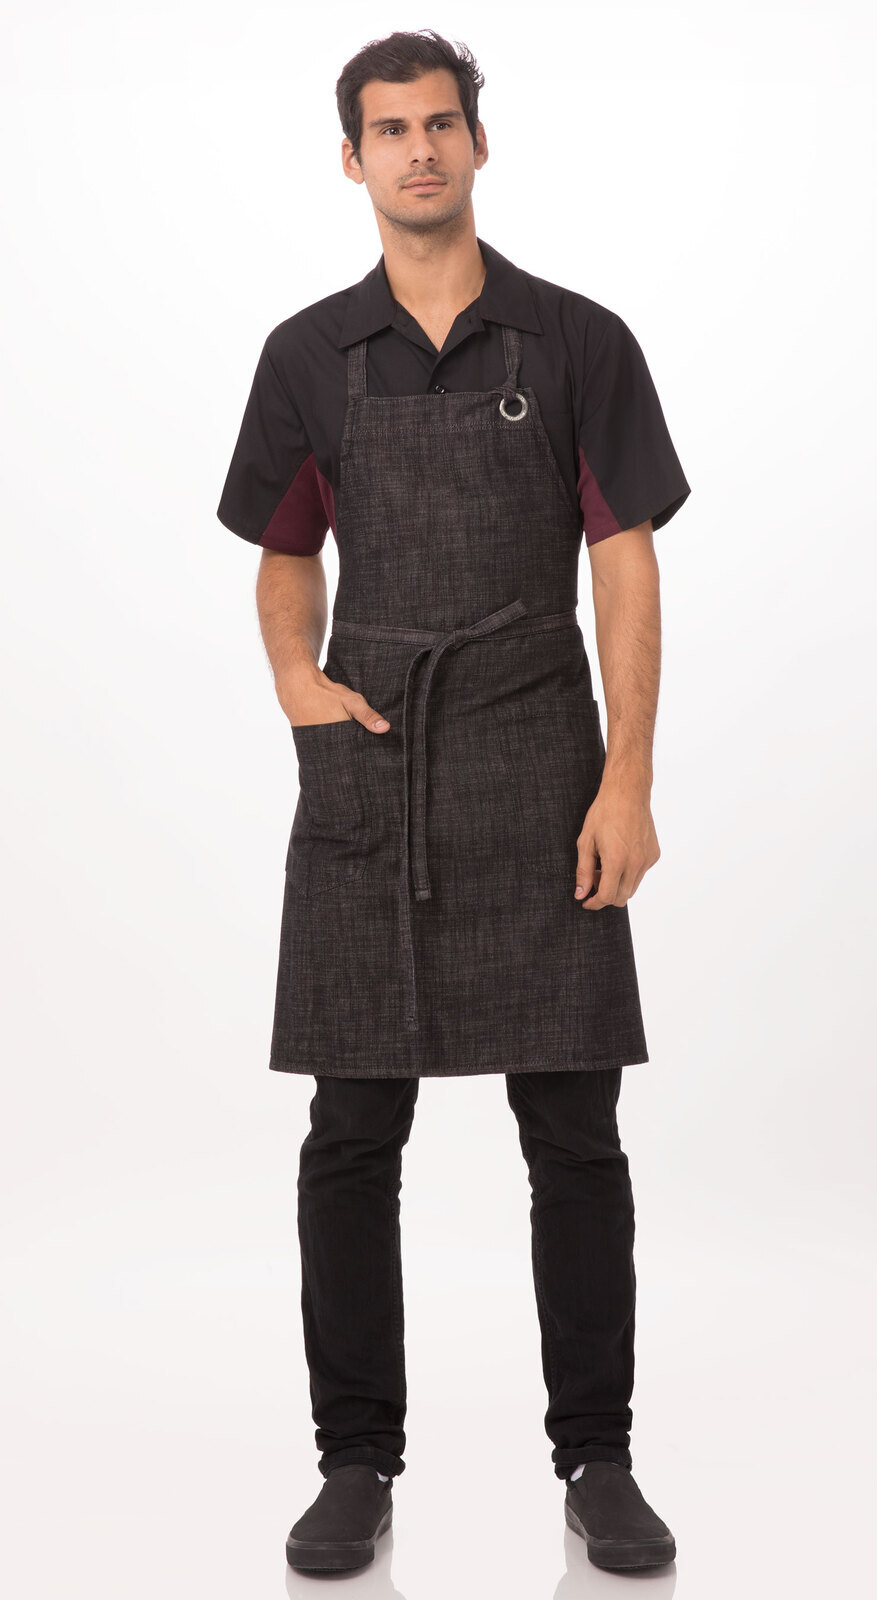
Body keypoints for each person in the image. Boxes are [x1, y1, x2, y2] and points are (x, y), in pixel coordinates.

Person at [216, 27, 690, 1577]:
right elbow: (285, 550)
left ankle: (598, 1458)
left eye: (440, 123)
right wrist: (296, 677)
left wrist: (628, 773)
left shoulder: (577, 342)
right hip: (375, 762)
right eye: (389, 130)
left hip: (542, 754)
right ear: (351, 160)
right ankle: (356, 1463)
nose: (418, 150)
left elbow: (625, 562)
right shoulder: (307, 356)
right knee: (352, 1134)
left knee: (577, 1131)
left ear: (480, 143)